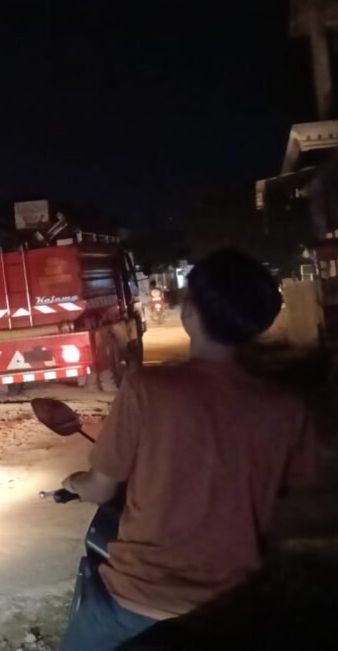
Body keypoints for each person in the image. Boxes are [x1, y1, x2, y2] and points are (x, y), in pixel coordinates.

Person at [59, 249, 317, 650]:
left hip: (135, 601)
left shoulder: (148, 389)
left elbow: (101, 488)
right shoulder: (288, 407)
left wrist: (74, 482)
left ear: (191, 311)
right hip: (232, 603)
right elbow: (294, 495)